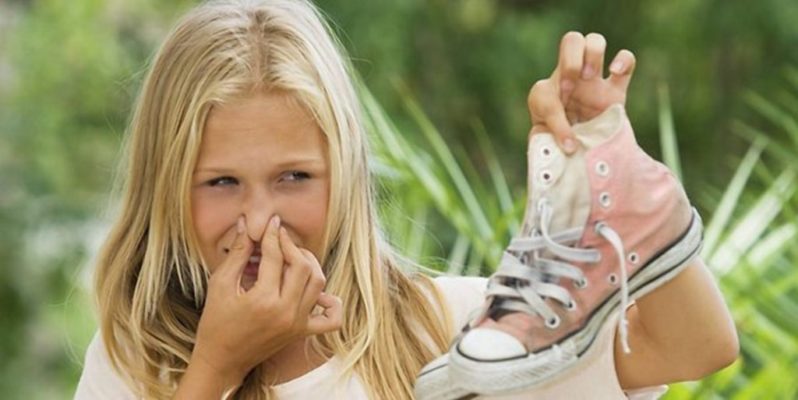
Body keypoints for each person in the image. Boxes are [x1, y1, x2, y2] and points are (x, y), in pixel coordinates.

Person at [74, 0, 739, 399]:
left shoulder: (448, 329)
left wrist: (614, 167)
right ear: (166, 189)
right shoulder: (135, 360)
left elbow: (693, 346)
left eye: (295, 178)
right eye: (221, 183)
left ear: (345, 177)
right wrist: (216, 366)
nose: (258, 223)